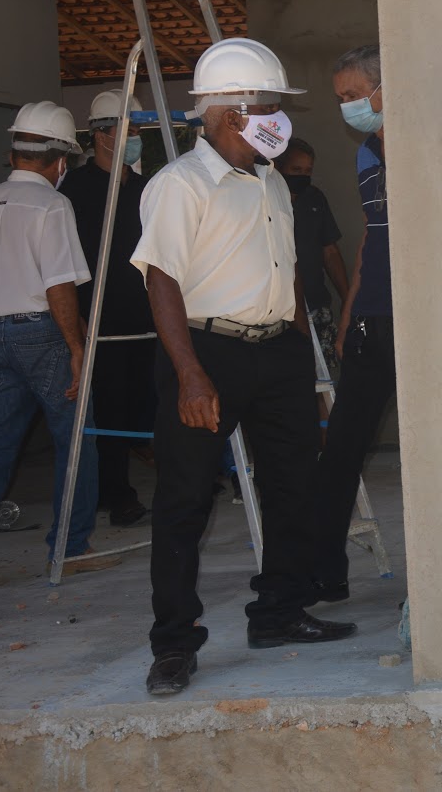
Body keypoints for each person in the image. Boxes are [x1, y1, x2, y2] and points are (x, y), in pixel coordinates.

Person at [133, 38, 355, 697]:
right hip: (207, 355)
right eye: (269, 107)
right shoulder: (180, 185)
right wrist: (190, 374)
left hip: (278, 353)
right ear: (232, 114)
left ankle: (279, 611)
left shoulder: (274, 182)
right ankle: (174, 643)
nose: (279, 119)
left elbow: (286, 269)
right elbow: (161, 280)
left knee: (293, 484)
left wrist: (299, 348)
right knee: (185, 499)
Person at [0, 103, 120, 588]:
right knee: (75, 439)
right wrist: (77, 349)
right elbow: (59, 286)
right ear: (61, 161)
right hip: (40, 334)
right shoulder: (52, 205)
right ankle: (71, 548)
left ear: (15, 152)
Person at [309, 44, 394, 602]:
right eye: (341, 98)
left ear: (386, 87)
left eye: (354, 95)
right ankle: (325, 573)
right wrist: (348, 315)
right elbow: (370, 237)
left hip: (425, 320)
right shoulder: (367, 153)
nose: (348, 107)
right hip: (372, 318)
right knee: (341, 449)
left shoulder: (433, 141)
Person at [61, 90, 156, 528]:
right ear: (101, 135)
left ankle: (189, 477)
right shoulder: (74, 190)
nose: (135, 139)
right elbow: (67, 261)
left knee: (150, 402)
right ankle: (117, 494)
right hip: (100, 322)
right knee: (111, 410)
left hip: (147, 317)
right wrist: (76, 321)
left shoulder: (145, 188)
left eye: (137, 131)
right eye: (128, 131)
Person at [272, 137, 348, 366]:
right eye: (296, 170)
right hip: (279, 313)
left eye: (308, 170)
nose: (302, 176)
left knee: (325, 374)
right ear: (278, 168)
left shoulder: (314, 198)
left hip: (316, 307)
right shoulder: (266, 198)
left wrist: (347, 298)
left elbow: (330, 252)